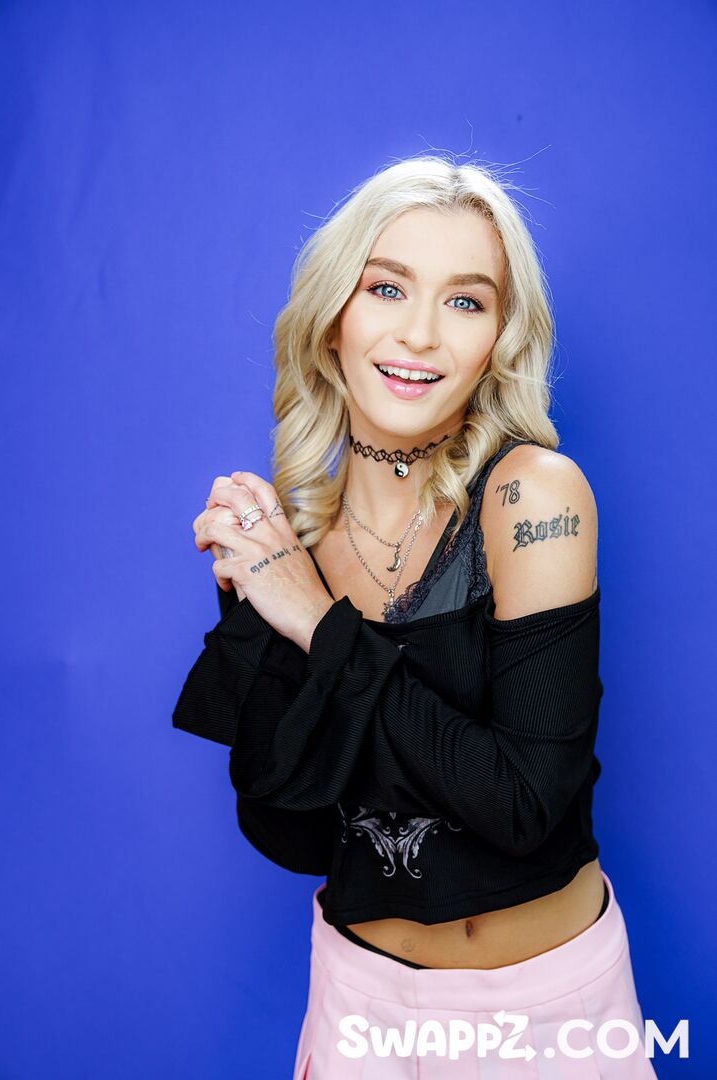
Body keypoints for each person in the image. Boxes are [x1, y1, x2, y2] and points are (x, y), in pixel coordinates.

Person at [173, 155, 657, 1077]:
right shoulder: (298, 546)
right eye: (387, 288)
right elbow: (291, 835)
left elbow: (523, 806)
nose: (421, 334)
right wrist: (257, 606)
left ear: (498, 340)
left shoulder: (529, 497)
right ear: (334, 317)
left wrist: (320, 625)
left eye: (465, 302)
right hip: (360, 1007)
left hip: (548, 1015)